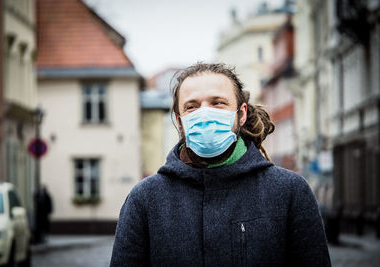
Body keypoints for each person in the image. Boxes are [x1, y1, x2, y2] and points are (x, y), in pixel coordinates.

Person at [110, 63, 331, 266]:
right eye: (192, 106)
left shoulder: (289, 192)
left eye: (218, 103)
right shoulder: (145, 199)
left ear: (241, 114)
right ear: (179, 121)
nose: (205, 113)